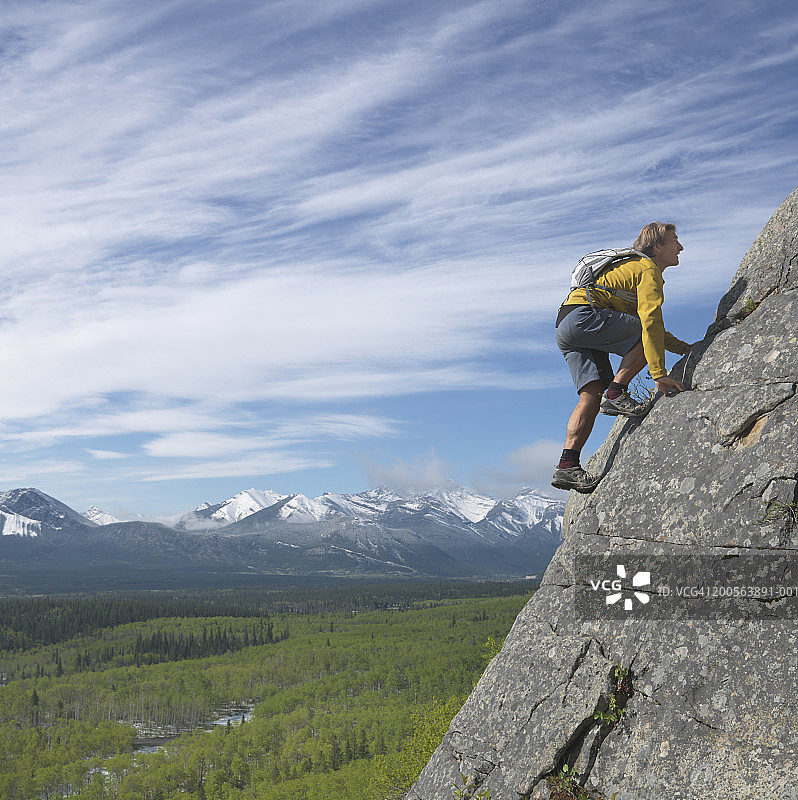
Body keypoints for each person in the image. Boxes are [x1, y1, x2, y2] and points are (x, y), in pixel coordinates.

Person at [551, 222, 695, 493]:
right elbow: (650, 325)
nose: (681, 247)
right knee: (644, 333)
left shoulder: (630, 269)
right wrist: (659, 375)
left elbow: (655, 331)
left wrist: (686, 349)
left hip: (567, 322)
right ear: (657, 247)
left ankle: (567, 465)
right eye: (675, 240)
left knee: (590, 396)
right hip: (586, 314)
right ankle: (616, 392)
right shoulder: (647, 269)